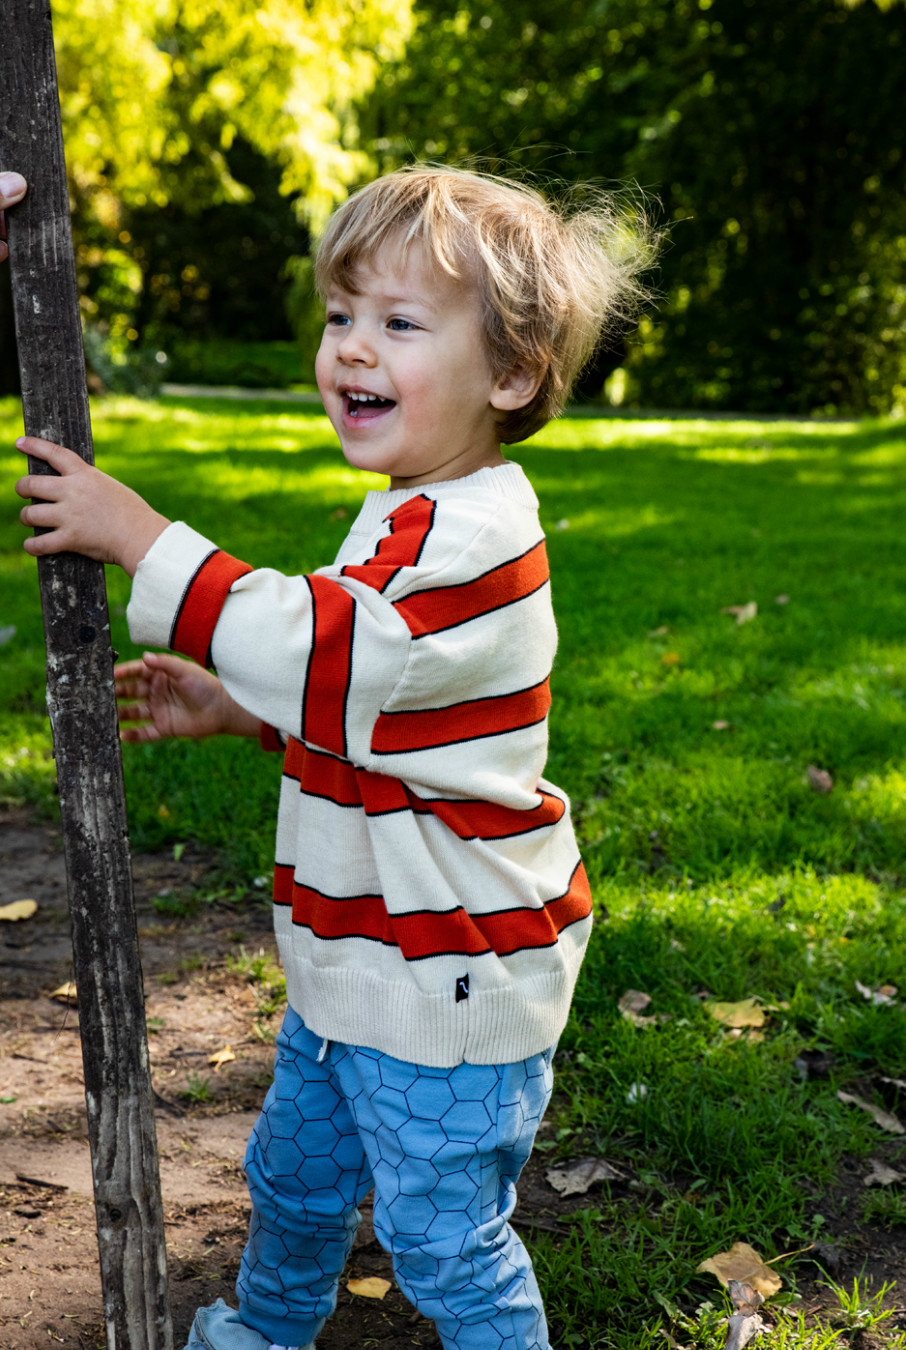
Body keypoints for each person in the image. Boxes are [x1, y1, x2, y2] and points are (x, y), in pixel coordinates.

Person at [7, 164, 652, 1350]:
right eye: (341, 315)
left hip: (448, 975)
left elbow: (329, 644)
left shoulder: (475, 540)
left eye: (400, 323)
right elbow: (387, 714)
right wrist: (246, 713)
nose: (351, 348)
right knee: (294, 1183)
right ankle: (264, 1331)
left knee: (442, 1239)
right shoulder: (417, 509)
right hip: (358, 962)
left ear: (509, 374)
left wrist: (141, 539)